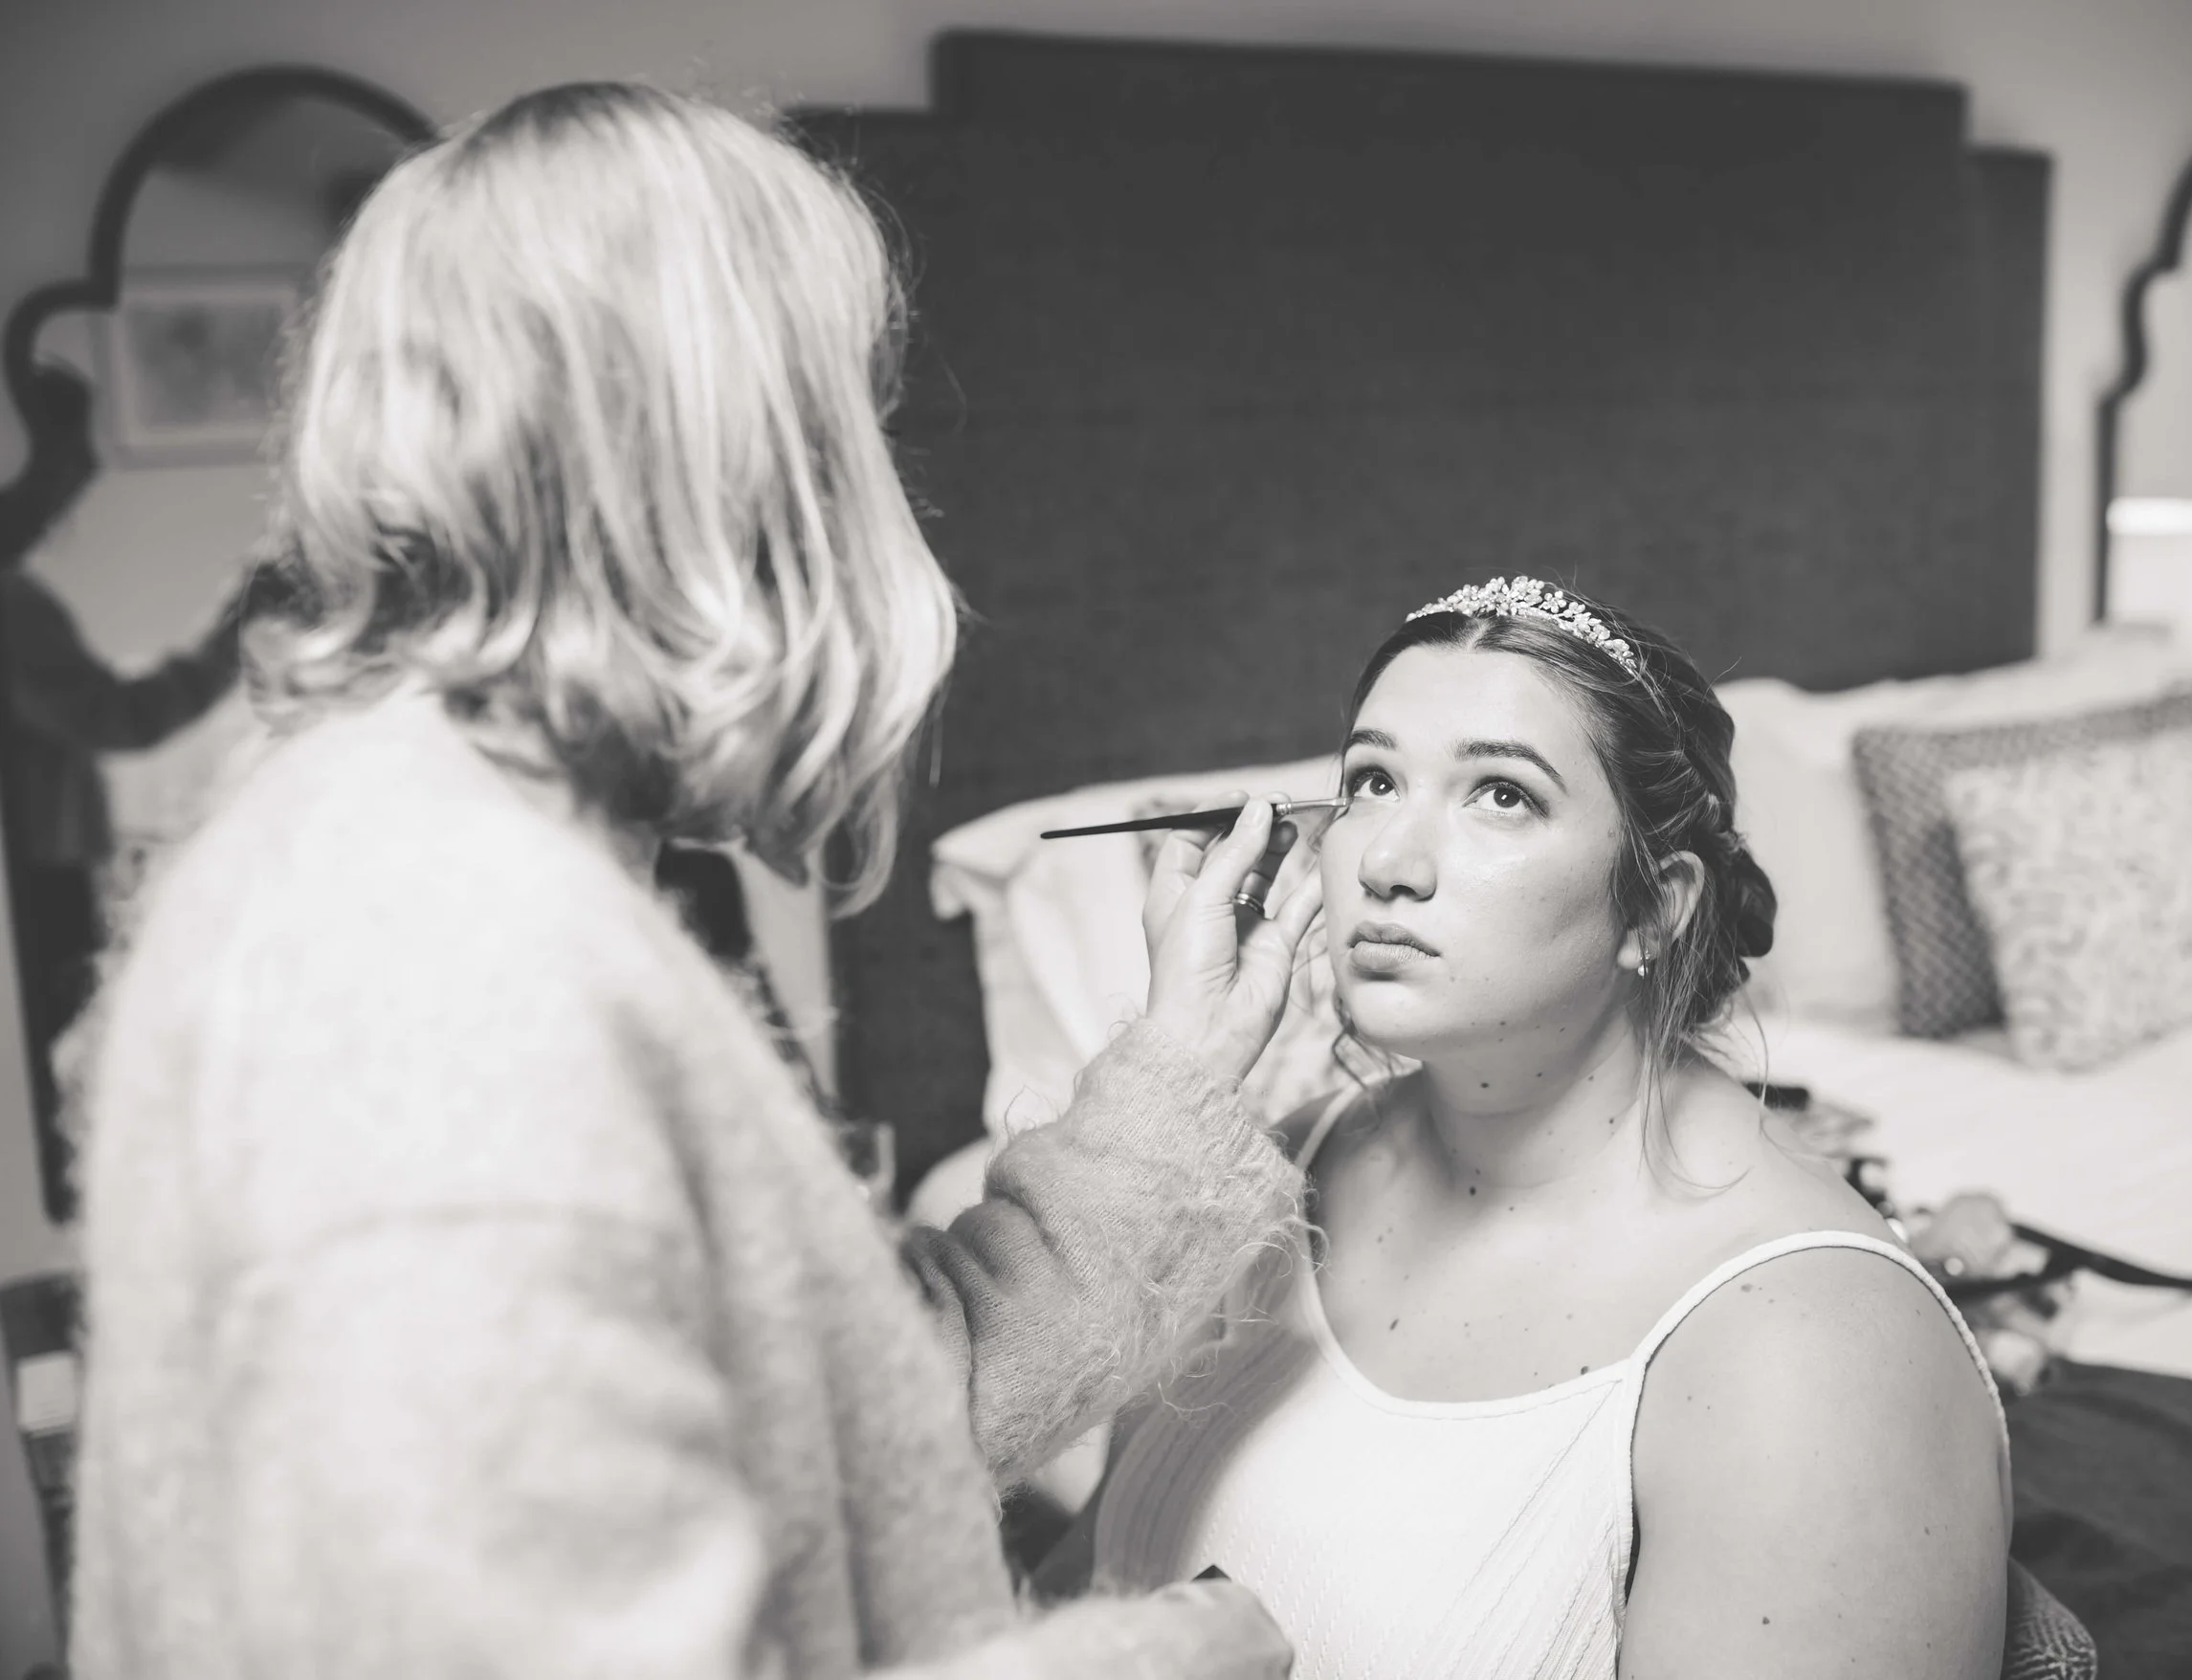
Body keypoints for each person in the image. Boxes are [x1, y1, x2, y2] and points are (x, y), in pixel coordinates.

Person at [68, 82, 1327, 1679]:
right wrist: (1161, 1660)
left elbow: (856, 1409)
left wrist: (1179, 1086)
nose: (876, 483)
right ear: (743, 467)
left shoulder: (481, 868)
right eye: (846, 415)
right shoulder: (420, 955)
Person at [1044, 578, 2014, 1678]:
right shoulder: (1274, 1166)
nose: (1386, 863)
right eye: (1371, 779)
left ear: (1657, 905)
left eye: (1499, 794)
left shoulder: (1812, 1350)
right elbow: (1091, 1569)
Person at [0, 366, 245, 1218]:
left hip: (38, 858)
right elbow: (122, 718)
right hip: (36, 866)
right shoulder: (9, 600)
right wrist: (230, 635)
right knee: (59, 1075)